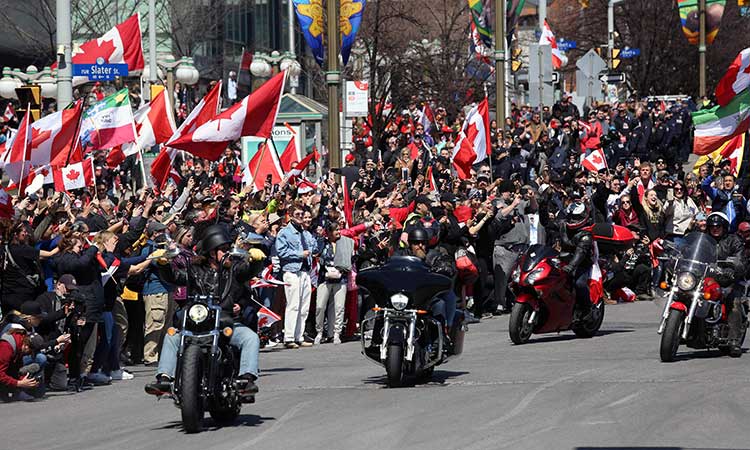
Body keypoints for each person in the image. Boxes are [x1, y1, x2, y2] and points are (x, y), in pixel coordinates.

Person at [146, 225, 266, 395]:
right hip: (197, 322)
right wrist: (164, 265)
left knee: (250, 338)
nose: (228, 253)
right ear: (212, 252)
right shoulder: (194, 270)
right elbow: (176, 277)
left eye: (228, 249)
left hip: (225, 321)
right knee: (172, 336)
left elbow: (247, 272)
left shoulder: (233, 269)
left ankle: (246, 379)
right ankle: (164, 378)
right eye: (224, 249)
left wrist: (256, 262)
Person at [275, 204, 318, 348]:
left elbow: (314, 246)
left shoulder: (305, 233)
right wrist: (300, 254)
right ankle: (289, 337)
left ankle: (299, 335)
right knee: (293, 304)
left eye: (302, 214)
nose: (301, 217)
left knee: (304, 306)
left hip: (305, 271)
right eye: (298, 214)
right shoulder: (285, 232)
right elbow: (281, 252)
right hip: (292, 270)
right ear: (291, 215)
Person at [705, 212, 746, 357]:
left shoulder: (733, 241)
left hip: (728, 280)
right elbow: (689, 252)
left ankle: (734, 341)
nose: (715, 229)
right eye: (712, 226)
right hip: (706, 277)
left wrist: (732, 269)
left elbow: (740, 261)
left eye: (718, 226)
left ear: (724, 227)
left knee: (733, 301)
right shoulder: (704, 240)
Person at [314, 222, 354, 345]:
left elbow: (351, 258)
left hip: (341, 278)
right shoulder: (323, 242)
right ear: (329, 232)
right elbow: (316, 253)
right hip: (325, 278)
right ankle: (319, 332)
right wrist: (321, 239)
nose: (338, 232)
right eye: (335, 230)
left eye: (339, 229)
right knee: (320, 306)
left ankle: (336, 333)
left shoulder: (345, 242)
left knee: (339, 307)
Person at [559, 202, 596, 316]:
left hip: (581, 263)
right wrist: (543, 204)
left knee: (579, 283)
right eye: (572, 217)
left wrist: (571, 266)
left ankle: (586, 309)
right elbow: (546, 223)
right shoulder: (563, 225)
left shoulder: (586, 234)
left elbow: (580, 253)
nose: (573, 220)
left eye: (576, 217)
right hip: (563, 259)